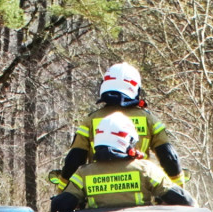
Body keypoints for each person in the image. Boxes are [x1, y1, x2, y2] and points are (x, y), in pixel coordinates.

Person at [53, 62, 185, 188]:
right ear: (136, 88)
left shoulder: (91, 120)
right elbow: (169, 157)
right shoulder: (149, 119)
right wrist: (178, 188)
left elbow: (74, 160)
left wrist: (63, 190)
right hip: (141, 192)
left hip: (97, 193)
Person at [50, 111, 193, 212]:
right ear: (128, 140)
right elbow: (183, 200)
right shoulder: (145, 169)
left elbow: (60, 205)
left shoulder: (84, 173)